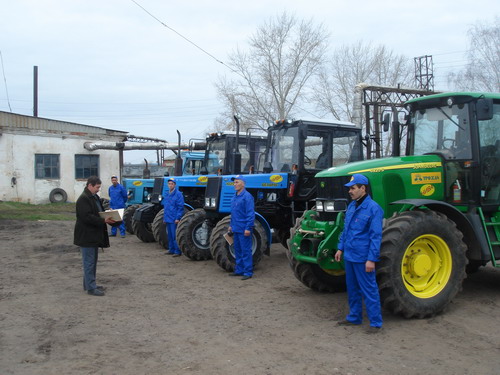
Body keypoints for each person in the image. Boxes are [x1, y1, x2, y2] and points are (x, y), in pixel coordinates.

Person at [334, 174, 384, 333]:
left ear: (363, 188)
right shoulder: (352, 207)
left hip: (363, 258)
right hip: (350, 255)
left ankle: (376, 323)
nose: (350, 191)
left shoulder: (374, 208)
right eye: (349, 188)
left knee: (369, 289)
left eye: (353, 188)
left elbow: (376, 236)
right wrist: (340, 248)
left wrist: (371, 259)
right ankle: (354, 317)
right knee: (352, 288)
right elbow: (346, 230)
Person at [74, 176, 116, 297]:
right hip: (86, 236)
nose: (98, 189)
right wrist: (103, 221)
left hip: (93, 235)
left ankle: (89, 284)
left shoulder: (94, 197)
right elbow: (86, 217)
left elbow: (98, 212)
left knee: (92, 261)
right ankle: (91, 288)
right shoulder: (83, 199)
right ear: (90, 185)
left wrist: (108, 213)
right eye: (97, 187)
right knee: (89, 262)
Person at [228, 175, 255, 280]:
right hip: (236, 228)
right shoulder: (234, 196)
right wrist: (231, 226)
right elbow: (234, 213)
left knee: (245, 251)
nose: (235, 184)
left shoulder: (247, 197)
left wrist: (248, 228)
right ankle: (239, 270)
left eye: (237, 182)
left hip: (244, 228)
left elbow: (250, 214)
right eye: (234, 182)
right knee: (237, 250)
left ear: (243, 183)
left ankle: (248, 272)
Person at [162, 177, 185, 257]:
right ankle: (171, 249)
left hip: (174, 218)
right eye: (169, 184)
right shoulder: (167, 194)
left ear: (175, 185)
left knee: (175, 235)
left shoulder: (178, 194)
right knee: (169, 235)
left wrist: (178, 218)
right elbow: (166, 207)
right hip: (168, 218)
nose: (170, 185)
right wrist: (165, 218)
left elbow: (180, 207)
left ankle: (177, 251)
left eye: (172, 184)